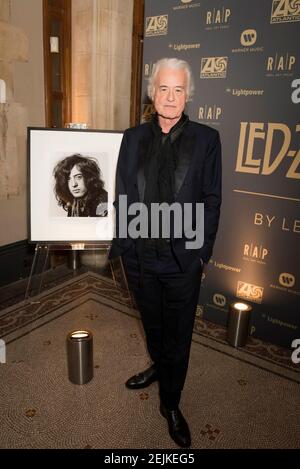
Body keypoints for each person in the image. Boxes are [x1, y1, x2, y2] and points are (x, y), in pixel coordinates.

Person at [110, 58, 222, 447]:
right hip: (139, 258)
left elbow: (211, 199)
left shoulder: (207, 140)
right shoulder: (132, 138)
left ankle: (170, 404)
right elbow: (123, 194)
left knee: (178, 336)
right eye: (163, 89)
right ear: (152, 92)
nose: (170, 97)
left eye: (178, 90)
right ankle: (159, 366)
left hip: (181, 262)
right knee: (153, 327)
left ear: (187, 94)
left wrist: (199, 253)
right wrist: (123, 248)